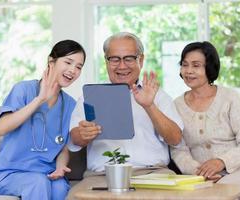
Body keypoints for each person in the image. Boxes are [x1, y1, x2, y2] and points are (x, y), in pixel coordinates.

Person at [67, 32, 183, 199]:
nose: (122, 66)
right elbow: (74, 139)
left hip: (153, 175)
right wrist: (83, 134)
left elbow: (176, 138)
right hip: (102, 177)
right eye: (114, 59)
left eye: (128, 58)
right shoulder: (90, 96)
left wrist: (149, 106)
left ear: (140, 60)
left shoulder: (158, 96)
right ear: (106, 61)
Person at [0, 40, 86, 200]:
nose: (73, 70)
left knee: (60, 188)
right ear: (51, 61)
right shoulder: (23, 90)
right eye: (68, 62)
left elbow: (63, 146)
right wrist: (39, 99)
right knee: (37, 183)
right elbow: (1, 128)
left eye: (79, 66)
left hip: (46, 173)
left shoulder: (71, 105)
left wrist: (60, 166)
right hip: (10, 173)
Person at [171, 41, 240, 200]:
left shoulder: (230, 98)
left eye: (196, 65)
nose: (189, 71)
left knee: (224, 195)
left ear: (209, 68)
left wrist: (221, 162)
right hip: (202, 178)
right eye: (185, 65)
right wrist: (198, 172)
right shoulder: (176, 105)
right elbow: (179, 149)